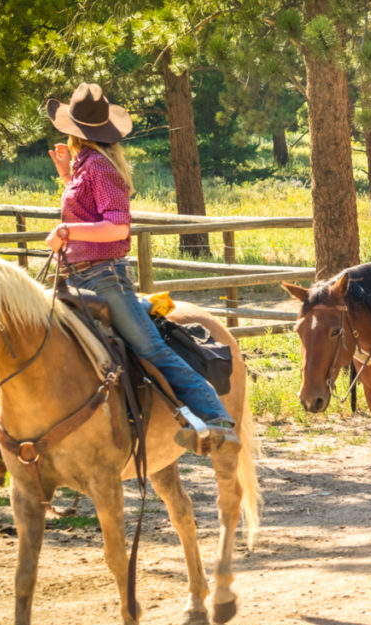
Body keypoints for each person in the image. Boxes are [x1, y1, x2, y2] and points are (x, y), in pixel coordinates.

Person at [43, 82, 239, 454]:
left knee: (152, 350)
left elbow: (118, 226)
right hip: (81, 274)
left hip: (103, 277)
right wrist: (67, 177)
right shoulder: (88, 165)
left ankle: (217, 419)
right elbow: (90, 211)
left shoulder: (99, 167)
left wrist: (67, 230)